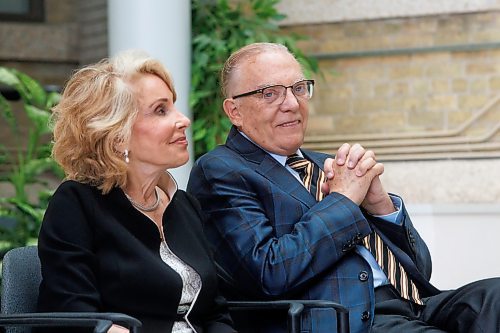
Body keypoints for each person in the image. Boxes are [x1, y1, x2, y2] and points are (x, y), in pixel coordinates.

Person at [186, 42, 500, 333]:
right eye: (270, 93)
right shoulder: (222, 171)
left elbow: (420, 270)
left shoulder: (327, 163)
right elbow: (270, 273)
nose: (292, 104)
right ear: (234, 111)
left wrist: (380, 206)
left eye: (298, 88)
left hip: (417, 304)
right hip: (347, 318)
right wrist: (343, 200)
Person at [36, 50, 237, 333]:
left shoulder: (184, 206)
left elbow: (215, 312)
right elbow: (74, 313)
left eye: (174, 106)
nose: (183, 120)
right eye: (160, 110)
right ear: (118, 135)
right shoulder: (77, 203)